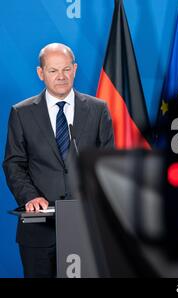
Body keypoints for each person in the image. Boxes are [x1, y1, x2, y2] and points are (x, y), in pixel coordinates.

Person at [2, 43, 115, 278]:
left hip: (87, 224)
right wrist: (30, 196)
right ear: (41, 73)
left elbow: (107, 162)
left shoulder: (98, 109)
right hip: (39, 230)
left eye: (66, 69)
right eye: (53, 71)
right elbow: (14, 163)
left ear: (74, 69)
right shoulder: (21, 113)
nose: (61, 77)